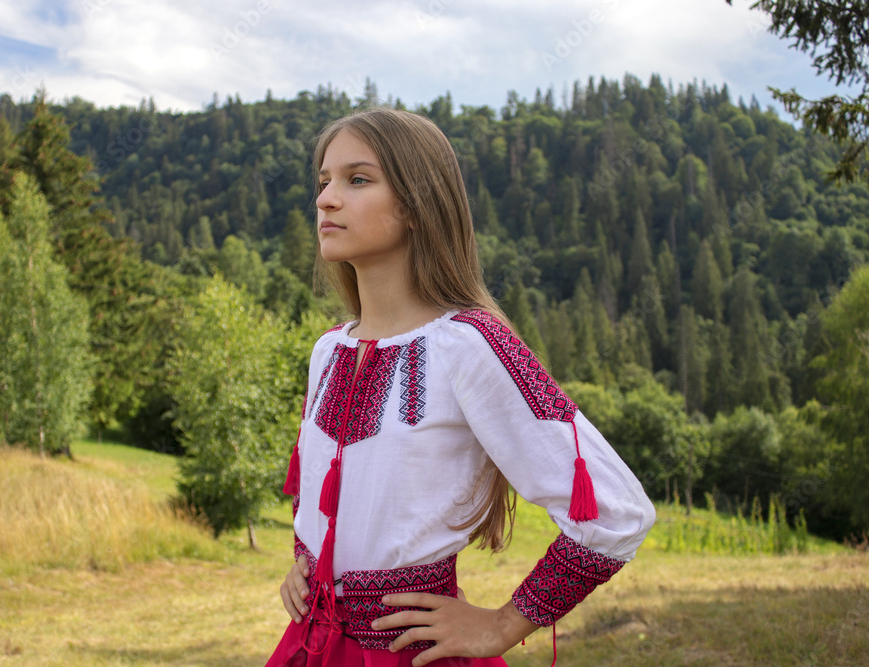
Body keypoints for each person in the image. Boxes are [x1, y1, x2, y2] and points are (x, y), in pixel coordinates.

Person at [266, 108, 655, 667]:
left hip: (409, 654)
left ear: (416, 204)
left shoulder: (470, 345)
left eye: (358, 179)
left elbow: (617, 511)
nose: (326, 199)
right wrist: (304, 564)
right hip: (309, 647)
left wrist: (503, 624)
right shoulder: (328, 349)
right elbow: (322, 488)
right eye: (324, 181)